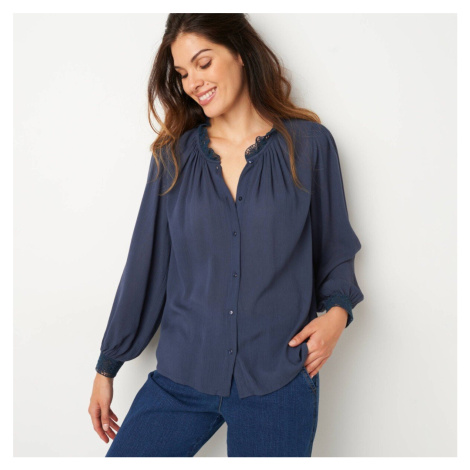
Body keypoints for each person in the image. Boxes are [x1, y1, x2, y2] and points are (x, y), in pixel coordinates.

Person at [88, 13, 364, 457]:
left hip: (277, 381)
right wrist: (107, 367)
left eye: (203, 63)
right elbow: (145, 265)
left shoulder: (309, 146)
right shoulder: (173, 158)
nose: (193, 82)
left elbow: (334, 247)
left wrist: (336, 315)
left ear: (239, 54)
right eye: (182, 73)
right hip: (182, 376)